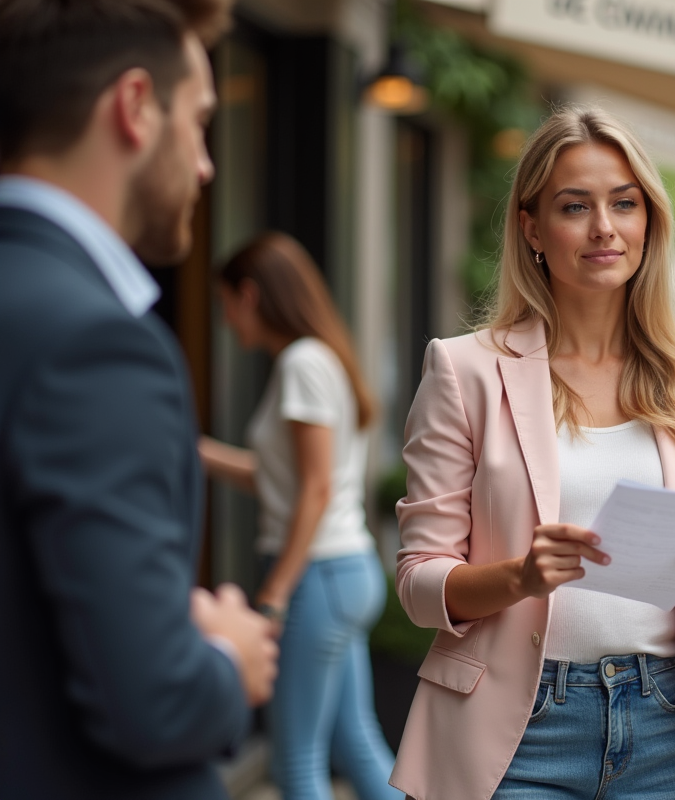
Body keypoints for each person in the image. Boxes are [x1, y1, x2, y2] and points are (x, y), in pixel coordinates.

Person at [389, 106, 675, 800]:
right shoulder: (465, 370)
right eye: (574, 206)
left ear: (650, 221)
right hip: (516, 729)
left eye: (624, 203)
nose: (604, 228)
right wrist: (520, 578)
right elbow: (416, 582)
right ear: (531, 227)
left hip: (669, 723)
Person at [0, 2, 279, 798]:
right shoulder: (96, 345)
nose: (206, 166)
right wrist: (225, 658)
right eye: (198, 123)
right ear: (133, 108)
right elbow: (156, 706)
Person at [199, 233, 398, 800]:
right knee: (355, 744)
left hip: (318, 577)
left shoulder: (301, 363)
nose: (225, 320)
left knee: (296, 762)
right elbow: (279, 477)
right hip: (344, 571)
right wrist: (197, 451)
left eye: (224, 305)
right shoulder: (319, 358)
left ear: (250, 295)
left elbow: (314, 489)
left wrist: (276, 592)